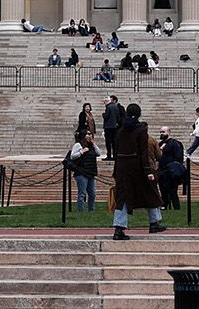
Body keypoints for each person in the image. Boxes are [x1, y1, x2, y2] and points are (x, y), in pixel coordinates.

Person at [109, 102, 164, 241]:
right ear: (139, 114)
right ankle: (154, 222)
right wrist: (148, 170)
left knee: (122, 197)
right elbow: (143, 153)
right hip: (137, 166)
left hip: (122, 166)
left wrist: (116, 171)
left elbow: (117, 151)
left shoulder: (120, 131)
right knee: (150, 192)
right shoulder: (141, 130)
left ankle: (119, 228)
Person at [156, 128, 188, 211]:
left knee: (173, 191)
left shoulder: (174, 143)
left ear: (169, 132)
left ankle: (176, 206)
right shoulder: (160, 144)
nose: (162, 133)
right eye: (161, 132)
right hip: (162, 170)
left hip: (171, 171)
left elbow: (178, 158)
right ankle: (164, 205)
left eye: (164, 132)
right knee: (162, 189)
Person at [67, 137, 99, 211]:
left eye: (90, 134)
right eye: (87, 134)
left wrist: (94, 144)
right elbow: (72, 156)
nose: (89, 136)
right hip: (81, 172)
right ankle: (80, 210)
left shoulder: (91, 146)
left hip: (90, 172)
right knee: (82, 193)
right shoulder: (78, 145)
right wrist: (82, 151)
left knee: (92, 194)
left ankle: (91, 210)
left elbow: (98, 153)